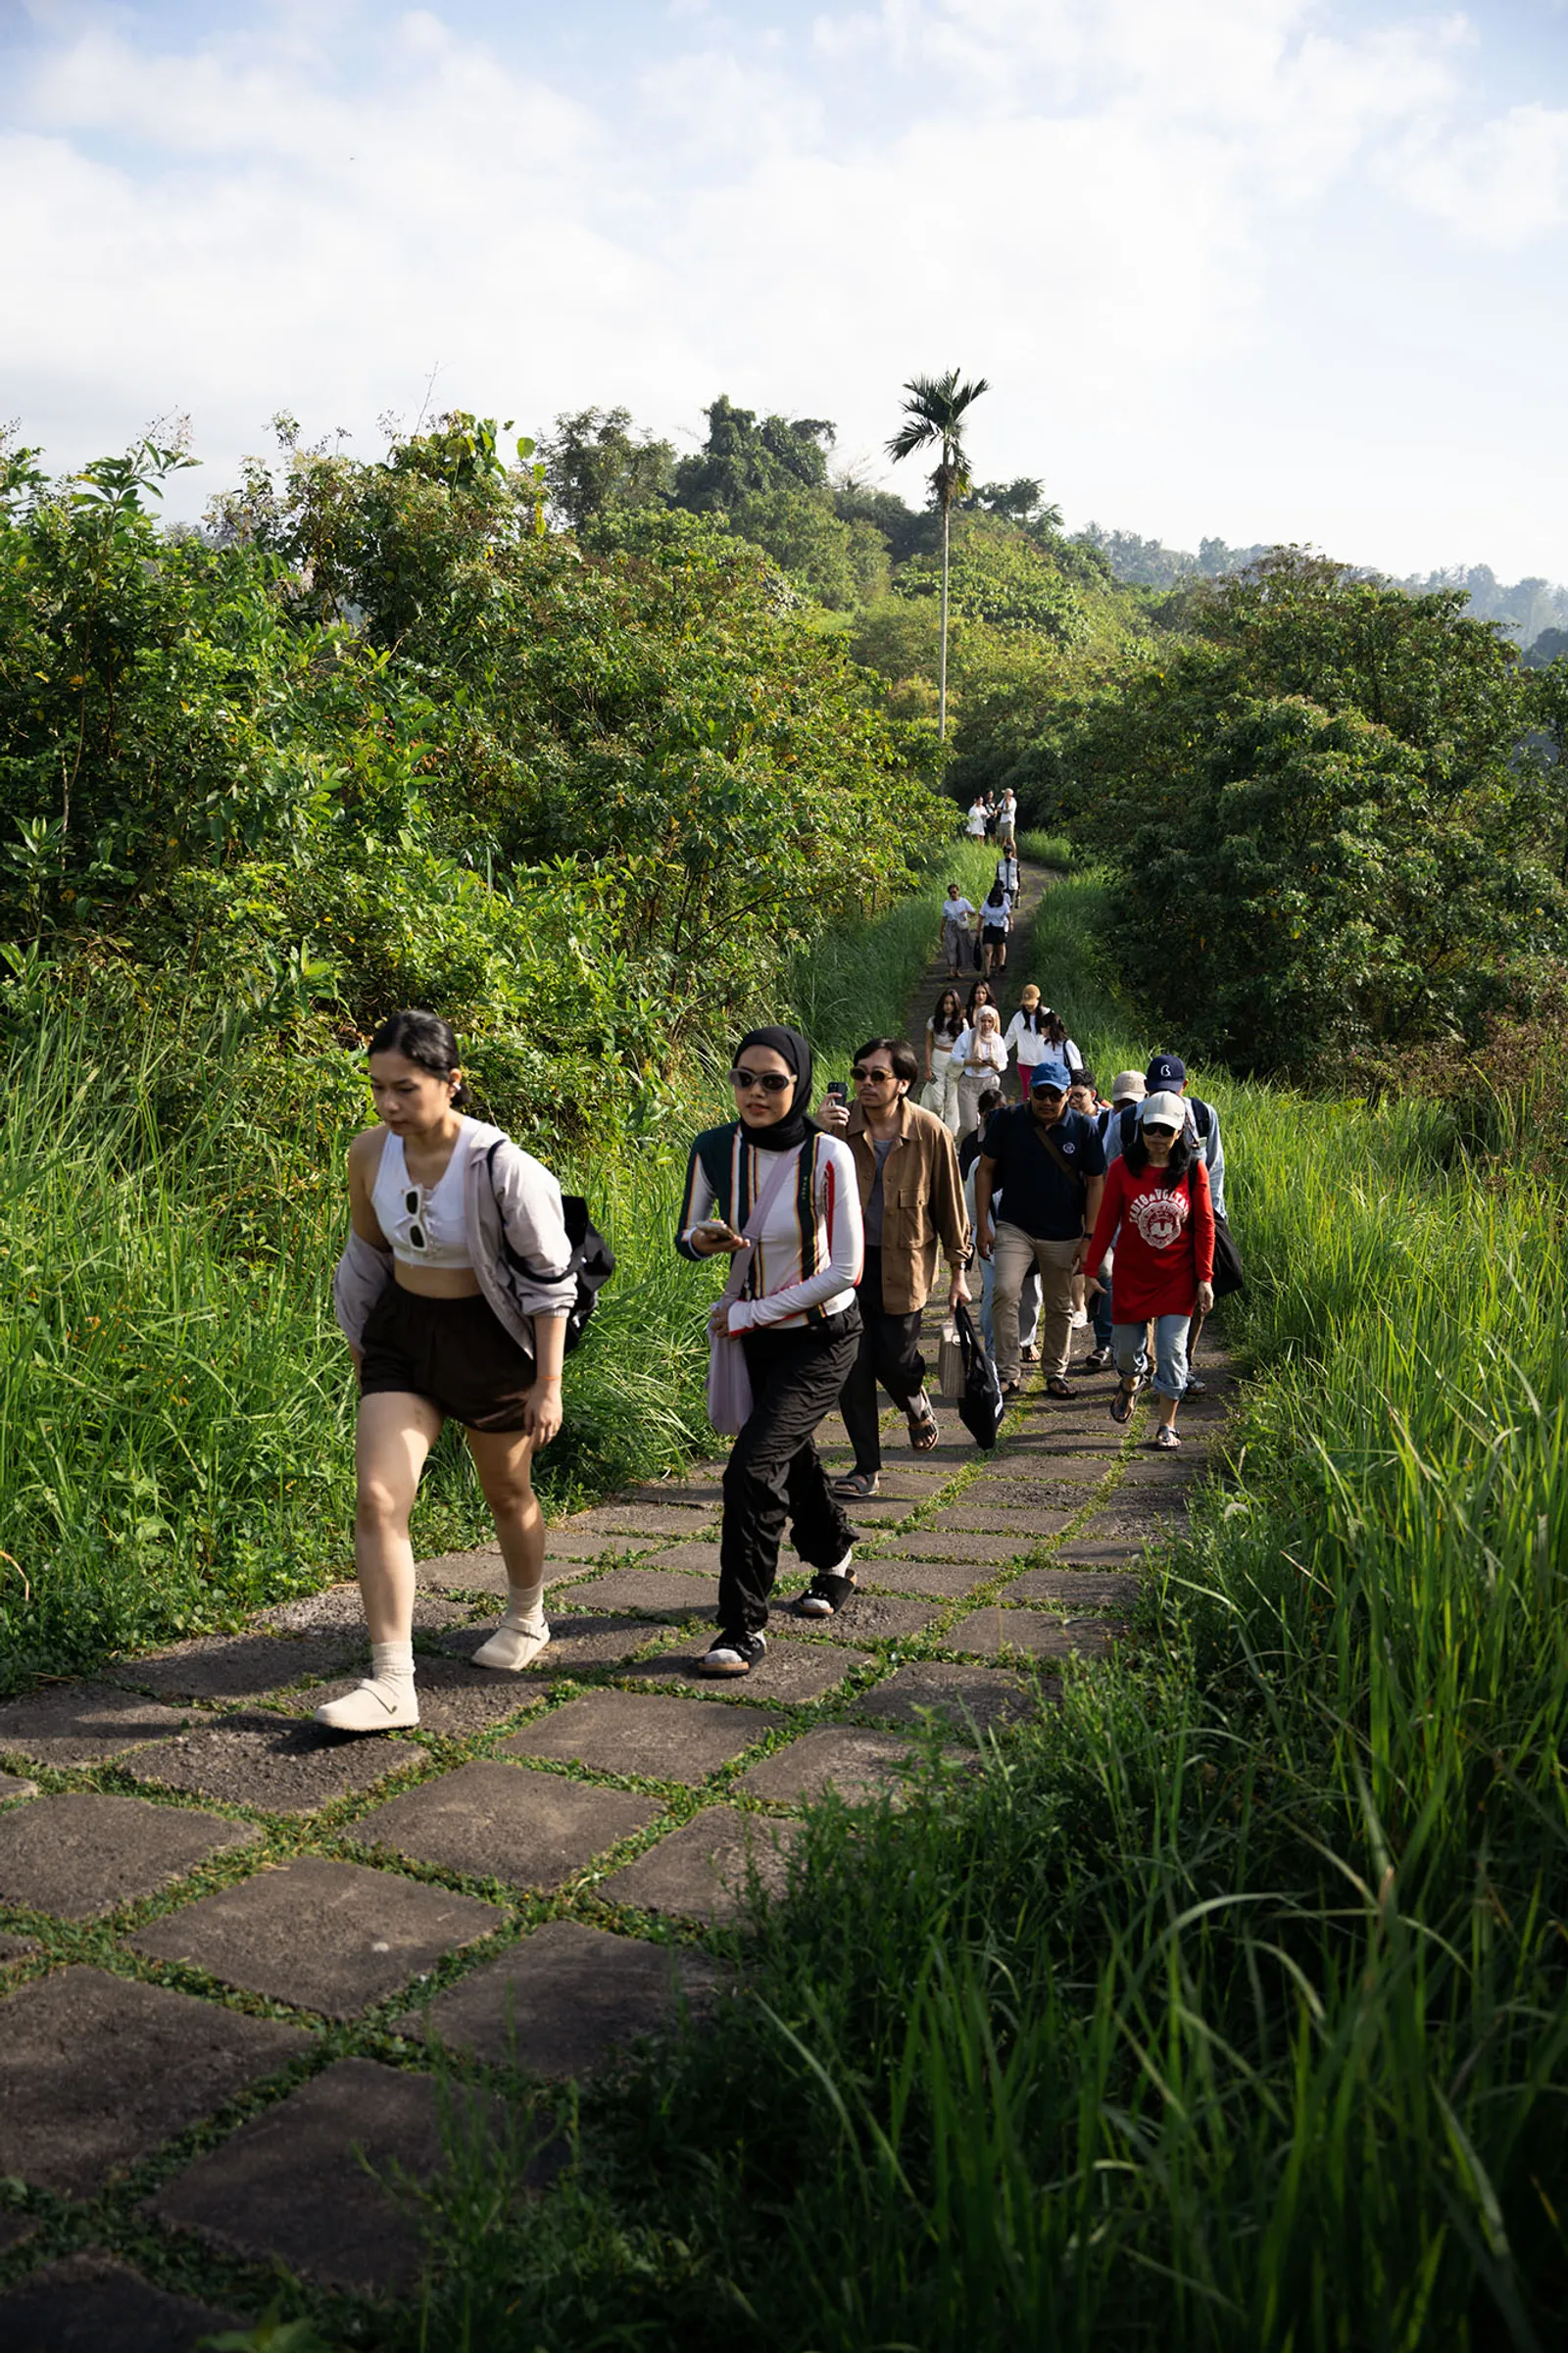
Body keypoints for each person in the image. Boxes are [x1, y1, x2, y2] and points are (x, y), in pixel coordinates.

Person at [322, 1010, 578, 1733]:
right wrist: (360, 1346)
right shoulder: (369, 1153)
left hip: (490, 1340)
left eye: (404, 1088)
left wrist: (548, 1383)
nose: (387, 1105)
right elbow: (366, 1254)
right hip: (403, 1335)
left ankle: (528, 1615)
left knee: (506, 1489)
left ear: (452, 1082)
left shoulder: (503, 1166)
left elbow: (549, 1279)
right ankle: (393, 1681)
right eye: (377, 1087)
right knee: (377, 1497)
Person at [677, 1026, 862, 1673]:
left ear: (799, 1083)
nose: (755, 1092)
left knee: (752, 1469)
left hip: (822, 1338)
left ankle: (740, 1629)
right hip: (753, 1341)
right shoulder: (712, 1148)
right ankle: (836, 1554)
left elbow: (846, 1268)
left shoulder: (828, 1154)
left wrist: (753, 1308)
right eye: (743, 1078)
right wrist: (705, 1239)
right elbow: (686, 1233)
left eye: (773, 1081)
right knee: (791, 1455)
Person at [816, 1038, 970, 1501]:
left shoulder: (931, 1132)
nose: (864, 1083)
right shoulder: (836, 1131)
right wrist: (815, 1133)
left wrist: (959, 1271)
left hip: (906, 1267)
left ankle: (916, 1401)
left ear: (903, 1083)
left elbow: (950, 1205)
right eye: (859, 1073)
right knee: (851, 1367)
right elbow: (797, 1185)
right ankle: (866, 1467)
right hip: (845, 1268)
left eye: (876, 1076)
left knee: (898, 1363)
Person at [1080, 1091, 1214, 1449]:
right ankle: (1129, 1382)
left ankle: (1167, 1425)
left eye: (1165, 1131)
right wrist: (1091, 1270)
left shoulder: (1192, 1170)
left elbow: (1204, 1225)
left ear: (1179, 1133)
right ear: (1140, 1129)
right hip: (1132, 1276)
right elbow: (1107, 1221)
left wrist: (1204, 1278)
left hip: (1176, 1278)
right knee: (1126, 1351)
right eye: (1151, 1129)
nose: (1157, 1138)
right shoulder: (1122, 1168)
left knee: (1172, 1352)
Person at [976, 1058, 1105, 1398]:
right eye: (1040, 1094)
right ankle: (1007, 1372)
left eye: (1055, 1096)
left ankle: (1055, 1371)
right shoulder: (1007, 1120)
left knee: (1060, 1304)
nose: (1047, 1103)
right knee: (1003, 1291)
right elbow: (985, 1170)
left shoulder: (1084, 1128)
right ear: (1028, 1093)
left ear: (1067, 1095)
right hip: (1015, 1225)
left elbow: (1096, 1183)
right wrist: (982, 1226)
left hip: (1063, 1231)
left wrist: (1089, 1236)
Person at [1104, 1052, 1226, 1395]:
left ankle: (1177, 1370)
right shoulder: (1128, 1122)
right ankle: (1139, 1370)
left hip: (1188, 1230)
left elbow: (1214, 1168)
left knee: (1191, 1307)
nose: (1165, 1095)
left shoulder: (1202, 1116)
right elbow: (1108, 1172)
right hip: (1137, 1231)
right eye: (1157, 1088)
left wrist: (1214, 1218)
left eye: (1172, 1089)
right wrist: (1111, 1237)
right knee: (1133, 1326)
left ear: (1184, 1086)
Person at [961, 1086, 1039, 1364]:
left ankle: (1025, 1340)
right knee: (993, 1300)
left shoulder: (1030, 1158)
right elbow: (971, 1208)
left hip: (1031, 1242)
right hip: (993, 1243)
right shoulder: (976, 1166)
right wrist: (977, 1238)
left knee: (1030, 1299)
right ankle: (995, 1355)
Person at [1083, 1070, 1145, 1372]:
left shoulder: (1154, 1130)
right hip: (1107, 1214)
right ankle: (1104, 1343)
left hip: (1141, 1218)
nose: (1126, 1110)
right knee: (1105, 1272)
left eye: (1133, 1103)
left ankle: (1139, 1353)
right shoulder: (1101, 1123)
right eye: (1121, 1104)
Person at [951, 1004, 1009, 1138]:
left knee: (990, 1121)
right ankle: (966, 1150)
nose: (986, 1024)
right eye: (983, 1021)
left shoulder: (997, 1039)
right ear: (977, 1020)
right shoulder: (967, 1036)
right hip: (969, 1082)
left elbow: (1003, 1063)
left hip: (989, 1083)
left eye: (990, 1021)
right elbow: (954, 1059)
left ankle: (987, 1151)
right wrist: (972, 1062)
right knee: (969, 1124)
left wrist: (994, 1065)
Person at [923, 987, 966, 1130]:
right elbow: (928, 1045)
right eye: (946, 1003)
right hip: (937, 1060)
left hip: (955, 1061)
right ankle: (935, 1124)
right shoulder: (933, 1021)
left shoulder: (962, 1022)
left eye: (952, 1003)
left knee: (952, 1096)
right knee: (937, 1097)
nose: (948, 1006)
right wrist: (928, 1067)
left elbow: (966, 1046)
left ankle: (951, 1130)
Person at [1003, 984, 1052, 1098]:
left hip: (1044, 1063)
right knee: (1028, 1096)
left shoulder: (1047, 1015)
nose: (1028, 1006)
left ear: (1039, 1000)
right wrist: (998, 1053)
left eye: (1031, 1003)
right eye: (1026, 1003)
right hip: (1025, 1064)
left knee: (1043, 1095)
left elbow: (1056, 1037)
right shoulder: (1018, 1017)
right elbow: (1009, 1038)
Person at [940, 882, 976, 977]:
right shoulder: (946, 904)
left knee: (961, 948)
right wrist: (941, 931)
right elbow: (944, 918)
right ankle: (951, 970)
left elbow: (974, 913)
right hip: (951, 926)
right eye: (950, 893)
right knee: (951, 948)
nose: (952, 894)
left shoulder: (964, 901)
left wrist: (966, 911)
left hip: (961, 927)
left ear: (958, 891)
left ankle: (957, 970)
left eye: (954, 892)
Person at [978, 881, 1011, 975]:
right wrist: (978, 931)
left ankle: (999, 967)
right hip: (989, 929)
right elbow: (980, 916)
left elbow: (1009, 914)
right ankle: (987, 972)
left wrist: (1011, 923)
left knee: (998, 950)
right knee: (988, 951)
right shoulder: (986, 903)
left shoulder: (1004, 902)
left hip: (1000, 928)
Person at [994, 841, 1021, 908]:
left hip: (1012, 887)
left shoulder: (1015, 863)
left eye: (1008, 852)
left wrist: (1019, 887)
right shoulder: (1000, 863)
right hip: (1003, 887)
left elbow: (1018, 875)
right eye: (1005, 852)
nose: (1006, 854)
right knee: (1003, 904)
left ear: (1011, 852)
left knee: (1010, 904)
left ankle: (1009, 917)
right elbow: (997, 875)